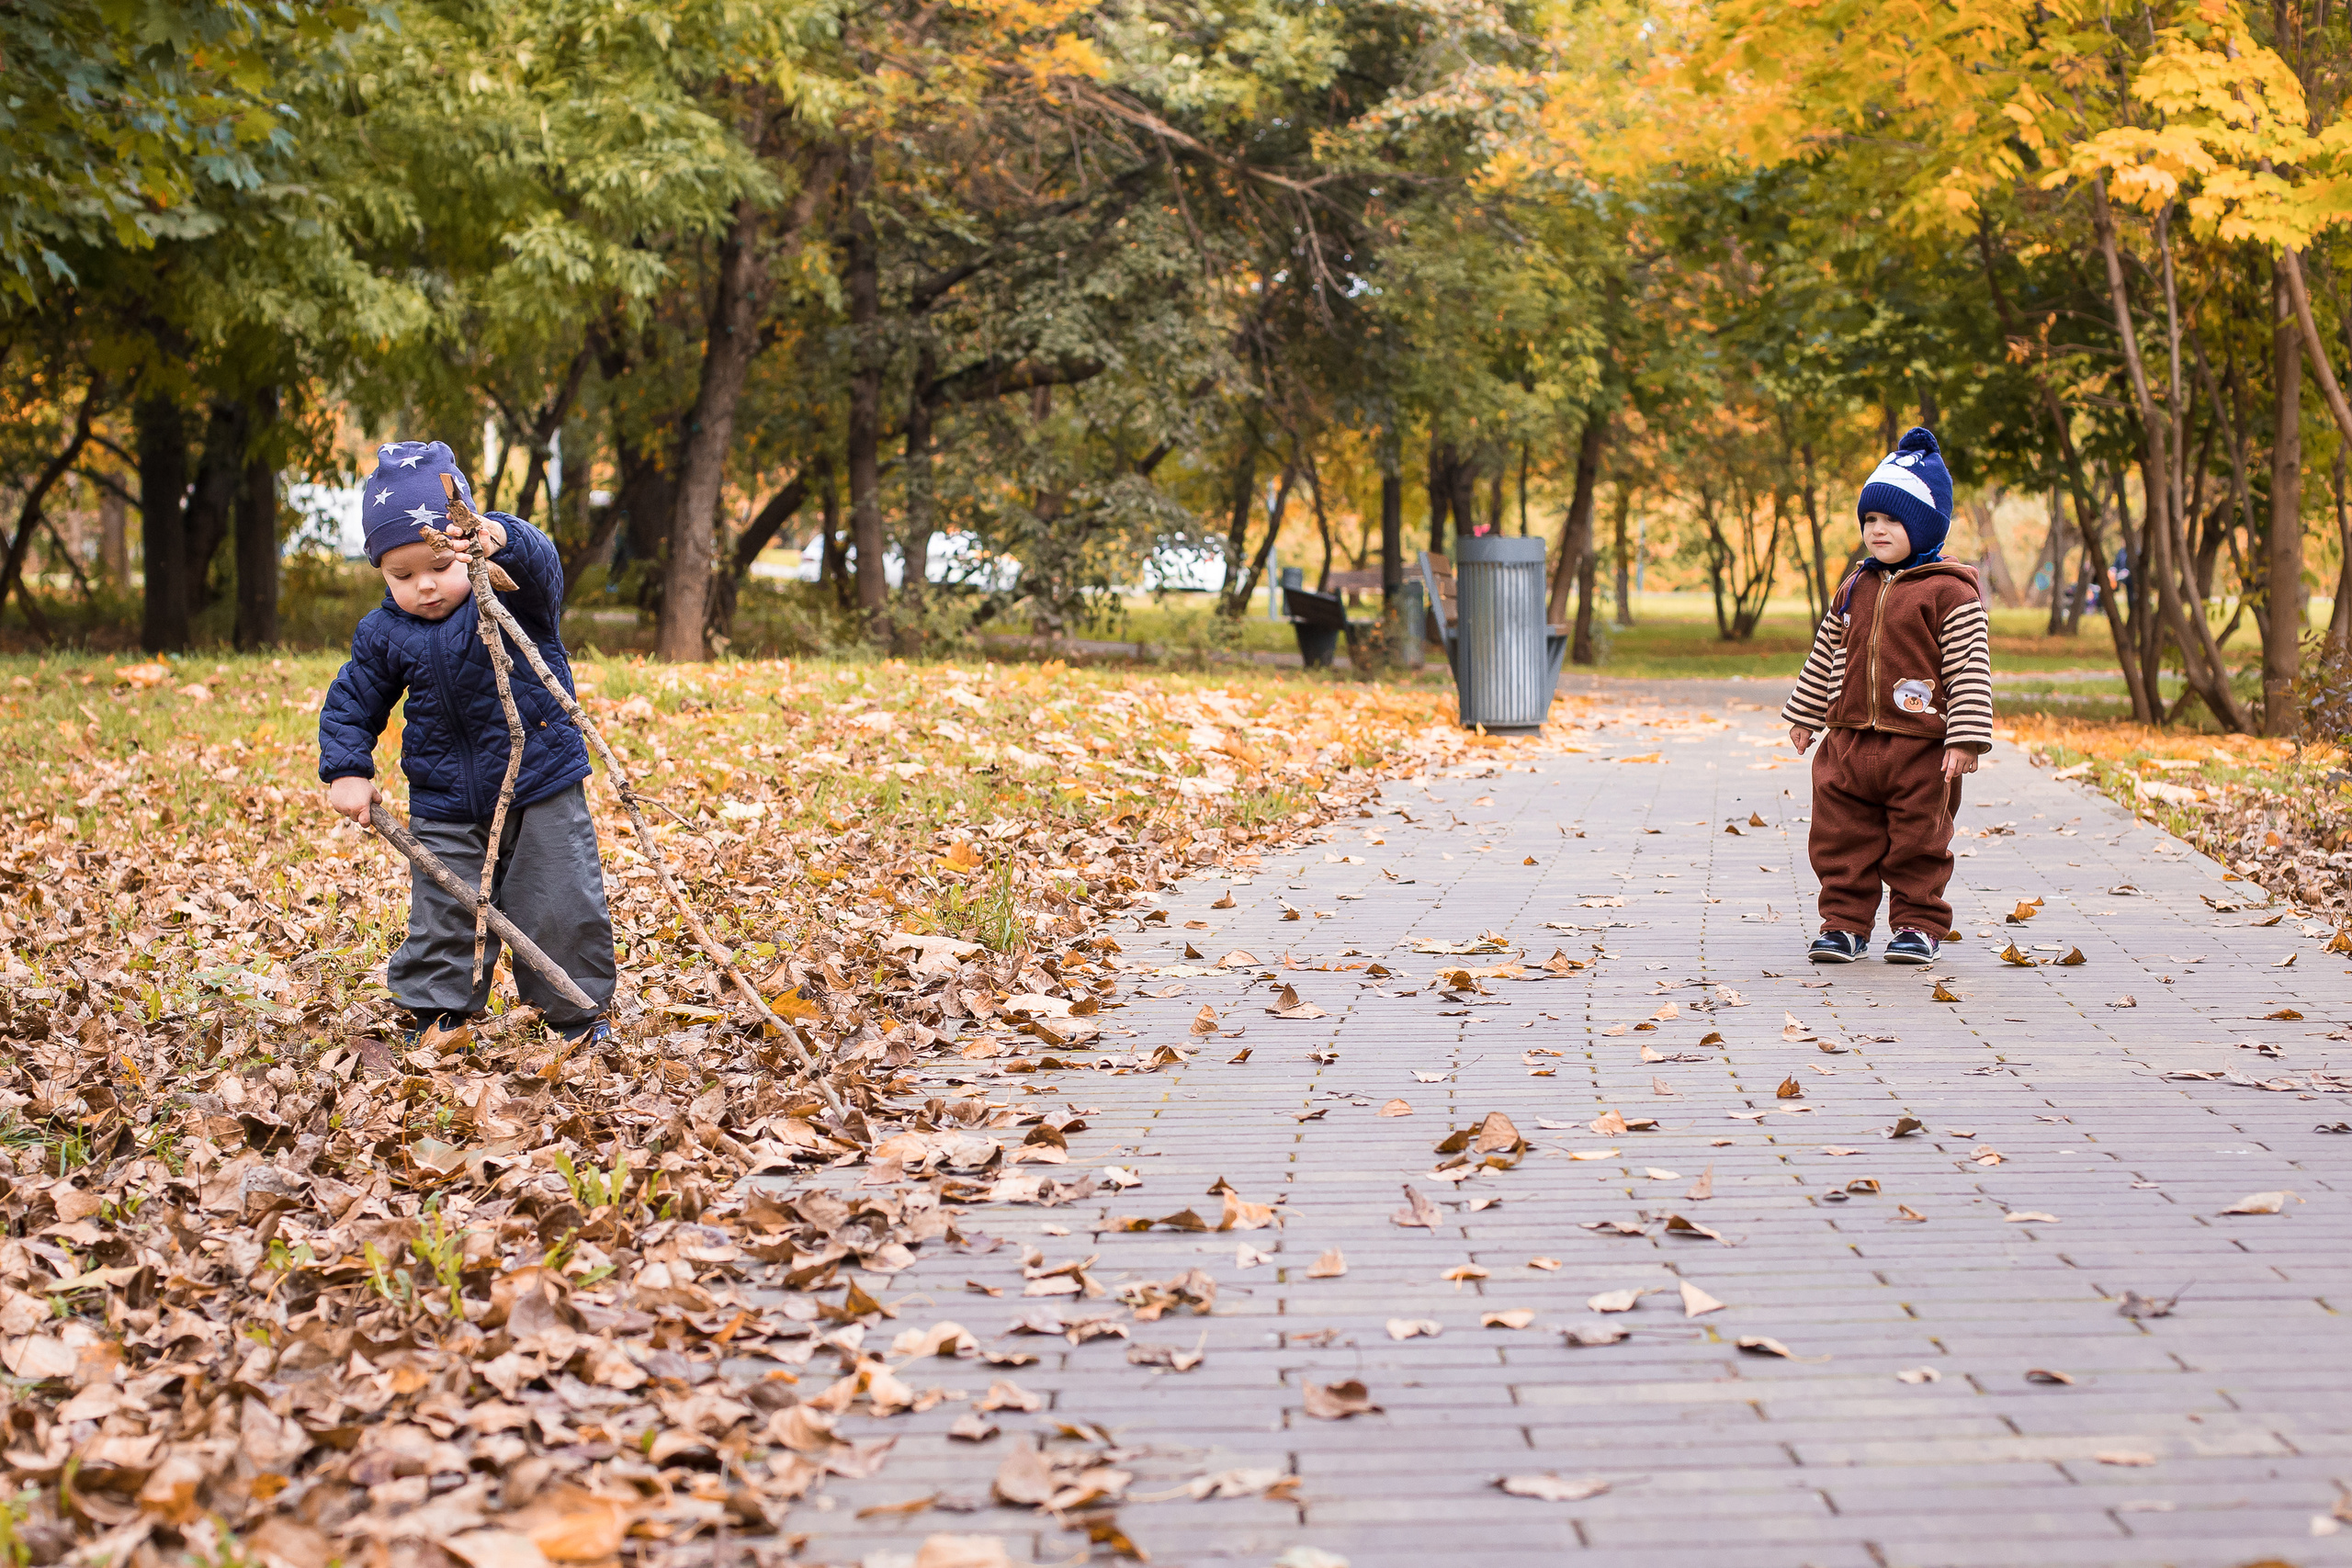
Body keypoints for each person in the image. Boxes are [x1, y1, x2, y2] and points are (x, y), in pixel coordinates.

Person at [319, 440, 616, 1042]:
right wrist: (346, 768)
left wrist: (497, 538)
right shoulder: (384, 632)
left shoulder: (512, 597)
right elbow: (352, 700)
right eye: (401, 575)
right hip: (445, 799)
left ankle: (574, 1014)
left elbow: (542, 566)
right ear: (380, 569)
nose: (424, 586)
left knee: (559, 900)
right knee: (444, 916)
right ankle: (439, 1014)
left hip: (541, 781)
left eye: (438, 567)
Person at [1781, 428, 1994, 964]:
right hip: (1849, 741)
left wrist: (1964, 738)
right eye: (1870, 520)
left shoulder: (1950, 592)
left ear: (1923, 526)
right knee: (1839, 838)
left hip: (1920, 748)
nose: (1877, 530)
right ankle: (1844, 925)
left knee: (1919, 840)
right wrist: (1807, 714)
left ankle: (1918, 925)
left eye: (1892, 520)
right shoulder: (1855, 586)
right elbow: (1826, 651)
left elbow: (1969, 668)